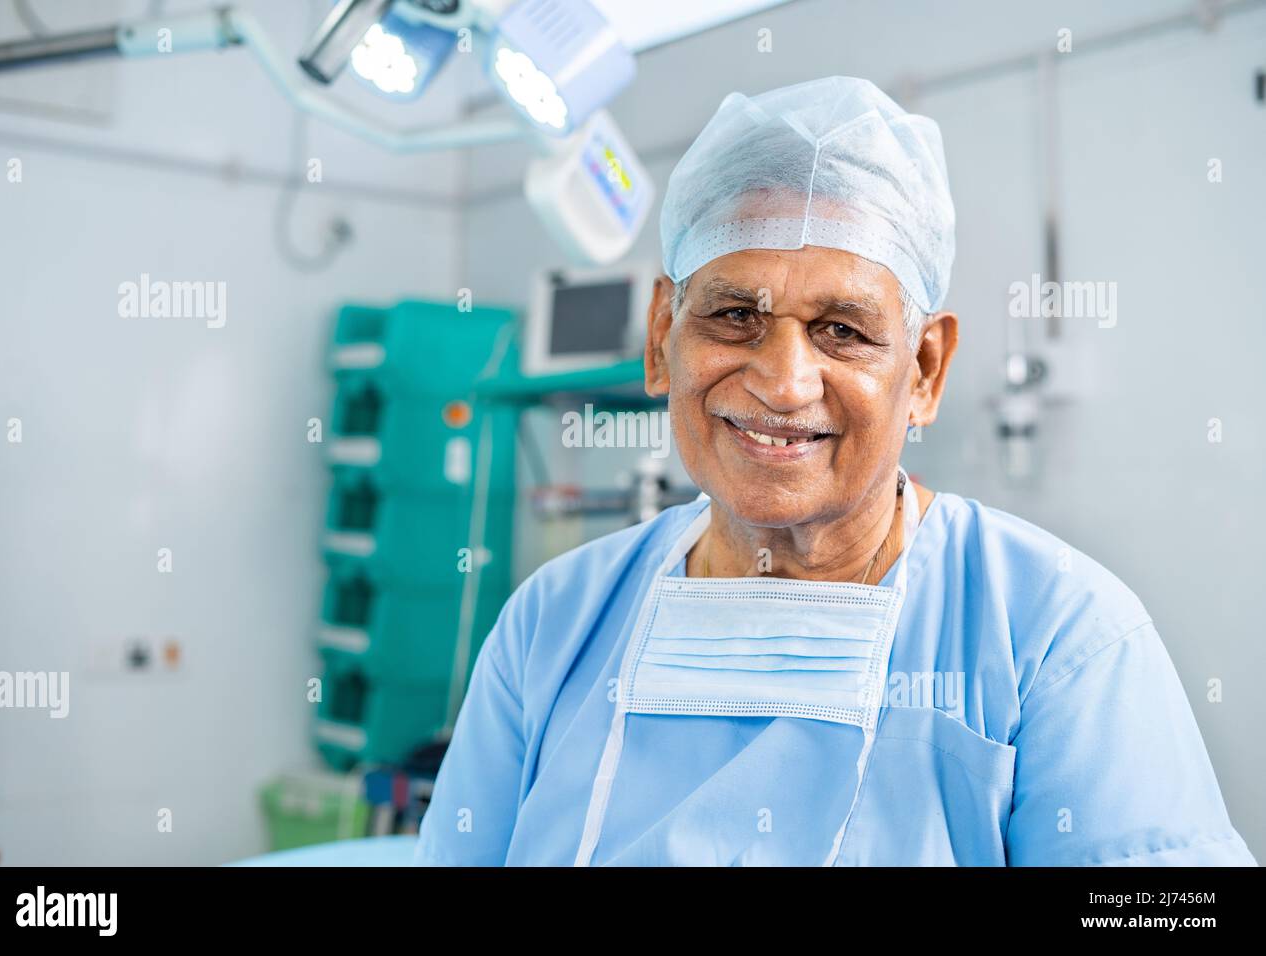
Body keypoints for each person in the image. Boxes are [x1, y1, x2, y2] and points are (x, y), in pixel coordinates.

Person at [414, 75, 1255, 866]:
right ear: (662, 335)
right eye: (736, 315)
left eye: (842, 330)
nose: (783, 382)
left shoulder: (1056, 635)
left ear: (924, 369)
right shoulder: (554, 625)